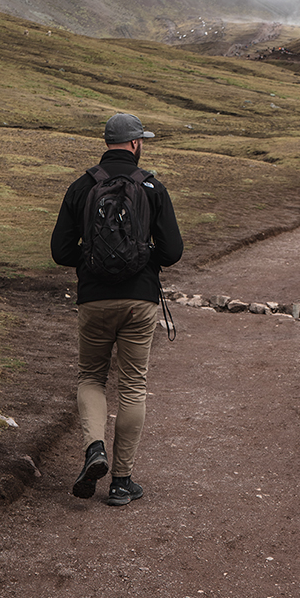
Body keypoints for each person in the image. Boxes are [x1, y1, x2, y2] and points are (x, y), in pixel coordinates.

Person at [50, 112, 184, 506]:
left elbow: (60, 252)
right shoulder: (152, 187)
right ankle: (122, 482)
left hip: (94, 299)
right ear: (136, 143)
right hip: (140, 299)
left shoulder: (81, 186)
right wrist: (143, 258)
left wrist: (91, 260)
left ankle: (95, 448)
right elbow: (173, 251)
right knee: (132, 384)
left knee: (91, 376)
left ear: (107, 142)